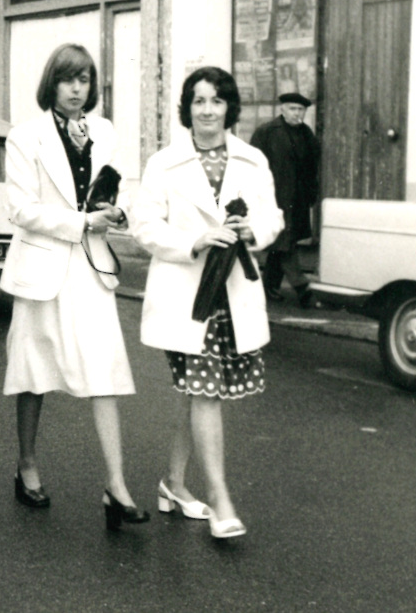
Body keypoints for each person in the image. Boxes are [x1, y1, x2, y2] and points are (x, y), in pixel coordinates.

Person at [0, 44, 145, 530]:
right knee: (33, 373)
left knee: (105, 370)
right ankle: (27, 465)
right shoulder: (25, 137)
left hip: (90, 266)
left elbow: (113, 191)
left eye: (85, 79)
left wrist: (117, 213)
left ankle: (116, 485)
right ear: (51, 83)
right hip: (43, 267)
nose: (77, 89)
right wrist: (83, 221)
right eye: (68, 79)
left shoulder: (103, 132)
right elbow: (21, 209)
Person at [132, 66, 283, 541]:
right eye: (198, 101)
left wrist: (252, 231)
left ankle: (174, 484)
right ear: (187, 108)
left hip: (232, 294)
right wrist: (194, 240)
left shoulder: (253, 160)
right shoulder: (164, 164)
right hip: (186, 296)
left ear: (228, 108)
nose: (207, 111)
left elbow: (272, 216)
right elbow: (144, 227)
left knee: (198, 395)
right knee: (205, 393)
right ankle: (220, 500)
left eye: (216, 101)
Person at [249, 92, 321, 307]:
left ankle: (268, 287)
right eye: (292, 109)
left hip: (297, 199)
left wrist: (311, 194)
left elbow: (312, 167)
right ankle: (303, 289)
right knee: (284, 244)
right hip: (274, 198)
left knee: (281, 243)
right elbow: (253, 168)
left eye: (301, 110)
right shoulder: (267, 132)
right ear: (282, 109)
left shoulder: (307, 134)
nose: (297, 114)